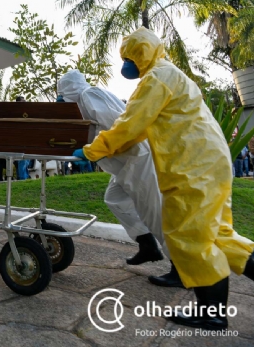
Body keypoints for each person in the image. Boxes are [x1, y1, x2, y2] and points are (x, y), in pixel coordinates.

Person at [77, 27, 254, 330]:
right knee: (218, 235)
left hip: (193, 166)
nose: (126, 65)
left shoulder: (156, 79)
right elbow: (142, 127)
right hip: (209, 162)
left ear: (143, 54)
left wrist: (92, 150)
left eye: (130, 57)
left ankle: (212, 313)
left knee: (191, 236)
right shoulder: (170, 74)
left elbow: (130, 124)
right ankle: (212, 309)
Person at [57, 70, 177, 284]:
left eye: (62, 94)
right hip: (127, 163)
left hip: (139, 159)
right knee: (115, 199)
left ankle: (182, 270)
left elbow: (118, 128)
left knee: (156, 214)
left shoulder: (88, 95)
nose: (60, 100)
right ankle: (147, 244)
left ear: (71, 89)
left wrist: (90, 151)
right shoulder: (84, 102)